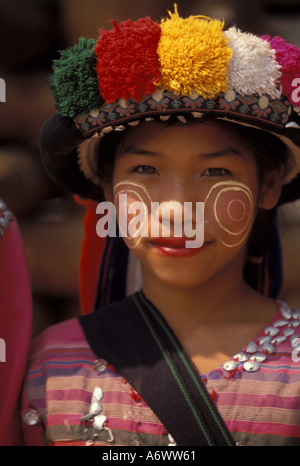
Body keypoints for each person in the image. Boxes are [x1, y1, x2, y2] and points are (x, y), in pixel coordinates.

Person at [20, 6, 300, 446]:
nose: (176, 209)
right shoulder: (52, 363)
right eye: (146, 169)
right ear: (109, 189)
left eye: (215, 173)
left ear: (268, 186)